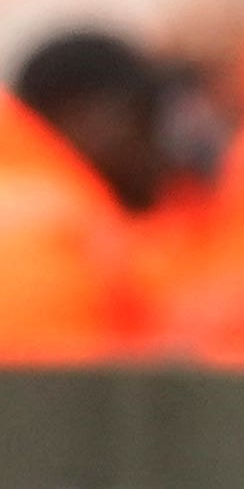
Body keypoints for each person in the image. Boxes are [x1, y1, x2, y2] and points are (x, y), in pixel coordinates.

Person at [0, 31, 166, 363]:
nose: (155, 148)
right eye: (142, 119)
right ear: (82, 114)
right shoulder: (65, 216)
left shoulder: (41, 188)